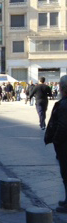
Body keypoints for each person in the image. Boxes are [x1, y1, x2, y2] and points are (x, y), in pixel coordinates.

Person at [45, 76, 67, 214]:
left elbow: (63, 126)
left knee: (66, 173)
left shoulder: (64, 104)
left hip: (65, 144)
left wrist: (56, 140)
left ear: (63, 88)